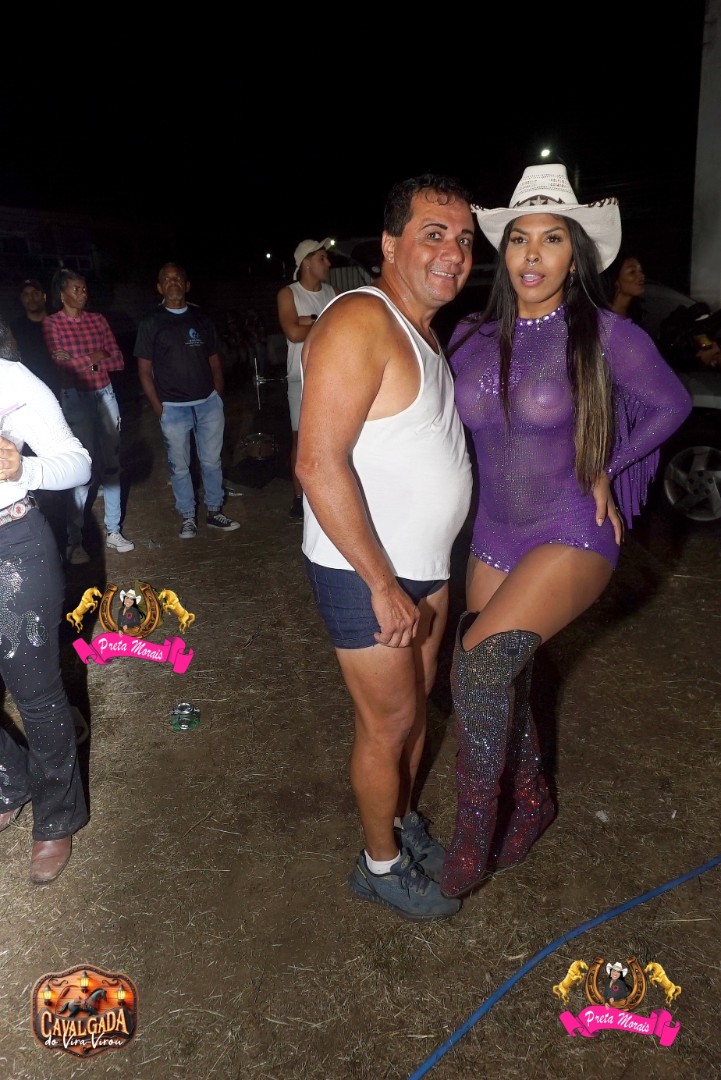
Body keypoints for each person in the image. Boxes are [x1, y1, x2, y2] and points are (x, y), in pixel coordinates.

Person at [441, 163, 693, 899]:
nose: (532, 254)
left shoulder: (607, 335)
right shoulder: (468, 335)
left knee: (479, 667)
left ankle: (470, 841)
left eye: (552, 239)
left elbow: (671, 405)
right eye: (519, 238)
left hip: (571, 527)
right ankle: (531, 802)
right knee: (497, 676)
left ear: (575, 257)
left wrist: (610, 465)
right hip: (494, 532)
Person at [296, 175, 475, 921]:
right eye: (433, 234)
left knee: (415, 715)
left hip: (421, 568)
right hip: (366, 573)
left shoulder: (422, 332)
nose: (453, 251)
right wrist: (380, 584)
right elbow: (316, 463)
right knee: (388, 724)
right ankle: (378, 865)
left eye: (463, 239)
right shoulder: (361, 318)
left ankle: (399, 822)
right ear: (390, 244)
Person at [0, 317, 92, 883]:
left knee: (34, 693)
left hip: (12, 548)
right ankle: (11, 779)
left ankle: (57, 818)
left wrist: (23, 466)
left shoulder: (11, 381)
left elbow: (78, 461)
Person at [134, 262, 240, 539]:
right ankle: (188, 516)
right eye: (167, 279)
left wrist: (217, 396)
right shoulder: (151, 322)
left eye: (178, 278)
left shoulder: (202, 319)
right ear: (159, 287)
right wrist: (159, 408)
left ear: (187, 284)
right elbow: (144, 371)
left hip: (208, 404)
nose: (173, 282)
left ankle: (214, 510)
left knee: (212, 462)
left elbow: (215, 361)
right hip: (173, 408)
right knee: (180, 466)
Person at [42, 268, 135, 565]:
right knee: (82, 468)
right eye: (76, 289)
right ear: (62, 294)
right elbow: (63, 367)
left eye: (84, 288)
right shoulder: (52, 324)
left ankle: (114, 530)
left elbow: (118, 359)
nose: (82, 293)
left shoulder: (98, 320)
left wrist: (82, 361)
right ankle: (75, 540)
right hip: (75, 398)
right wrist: (96, 357)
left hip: (105, 394)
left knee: (112, 464)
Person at [277, 239, 337, 520]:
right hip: (301, 377)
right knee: (301, 439)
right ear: (307, 262)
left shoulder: (333, 293)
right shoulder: (289, 294)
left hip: (332, 376)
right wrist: (323, 323)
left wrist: (308, 321)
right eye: (322, 258)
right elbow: (292, 332)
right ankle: (299, 497)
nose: (328, 263)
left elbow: (342, 328)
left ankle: (329, 491)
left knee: (334, 436)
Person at [9, 279, 60, 397]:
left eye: (35, 293)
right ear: (21, 299)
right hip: (34, 390)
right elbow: (11, 359)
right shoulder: (15, 327)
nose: (31, 298)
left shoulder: (59, 322)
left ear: (44, 297)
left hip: (66, 389)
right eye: (26, 295)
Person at [603, 250, 646, 323]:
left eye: (640, 271)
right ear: (616, 279)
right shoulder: (603, 318)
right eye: (632, 272)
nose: (642, 276)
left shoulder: (635, 317)